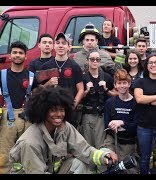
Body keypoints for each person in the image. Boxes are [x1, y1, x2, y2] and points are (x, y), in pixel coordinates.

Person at [8, 86, 118, 174]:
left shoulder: (64, 127)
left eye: (62, 110)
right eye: (53, 110)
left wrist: (104, 156)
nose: (59, 114)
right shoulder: (29, 143)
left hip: (52, 170)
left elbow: (84, 150)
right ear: (43, 111)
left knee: (80, 164)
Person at [0, 41, 38, 174]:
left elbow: (38, 96)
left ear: (26, 56)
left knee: (28, 150)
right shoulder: (1, 75)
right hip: (7, 118)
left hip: (27, 117)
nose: (17, 55)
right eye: (14, 52)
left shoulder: (32, 77)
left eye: (21, 53)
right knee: (4, 152)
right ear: (10, 55)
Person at [40, 32, 84, 127]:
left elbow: (80, 89)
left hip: (68, 113)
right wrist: (49, 83)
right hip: (50, 112)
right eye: (58, 43)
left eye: (64, 43)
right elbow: (39, 90)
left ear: (69, 47)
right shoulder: (45, 66)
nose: (60, 46)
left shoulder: (75, 66)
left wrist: (72, 106)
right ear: (54, 46)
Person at [102, 69, 139, 174]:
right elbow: (106, 124)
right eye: (119, 83)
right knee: (108, 163)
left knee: (127, 169)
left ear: (129, 84)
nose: (122, 86)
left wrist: (121, 123)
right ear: (115, 85)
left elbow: (136, 126)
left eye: (124, 83)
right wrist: (112, 125)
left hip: (128, 142)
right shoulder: (110, 102)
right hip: (113, 139)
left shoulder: (135, 103)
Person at [80, 50, 116, 148]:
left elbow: (116, 95)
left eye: (97, 59)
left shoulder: (107, 77)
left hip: (101, 115)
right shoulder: (82, 78)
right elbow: (78, 97)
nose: (95, 61)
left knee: (100, 145)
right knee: (87, 145)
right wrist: (86, 91)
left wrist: (106, 89)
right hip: (87, 115)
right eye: (92, 59)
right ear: (87, 61)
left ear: (100, 61)